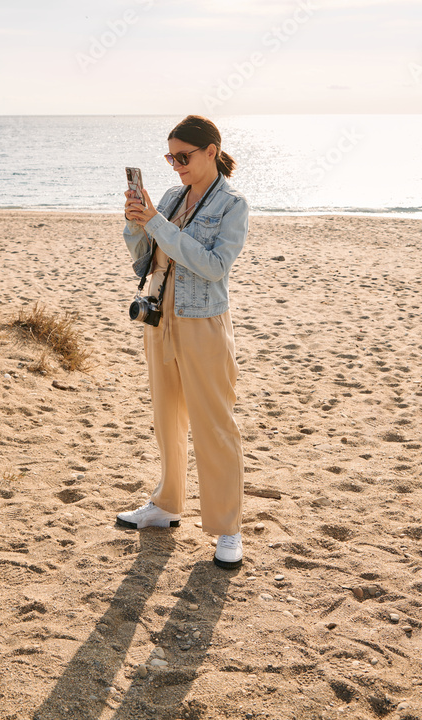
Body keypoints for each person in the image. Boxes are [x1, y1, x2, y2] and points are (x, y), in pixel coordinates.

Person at [118, 115, 250, 568]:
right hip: (159, 316)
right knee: (165, 416)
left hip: (203, 322)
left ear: (211, 151)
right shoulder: (173, 197)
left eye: (183, 156)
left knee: (214, 424)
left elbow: (212, 265)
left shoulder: (233, 204)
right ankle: (167, 504)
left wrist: (156, 222)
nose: (176, 166)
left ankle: (227, 527)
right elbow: (145, 260)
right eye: (170, 157)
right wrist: (137, 223)